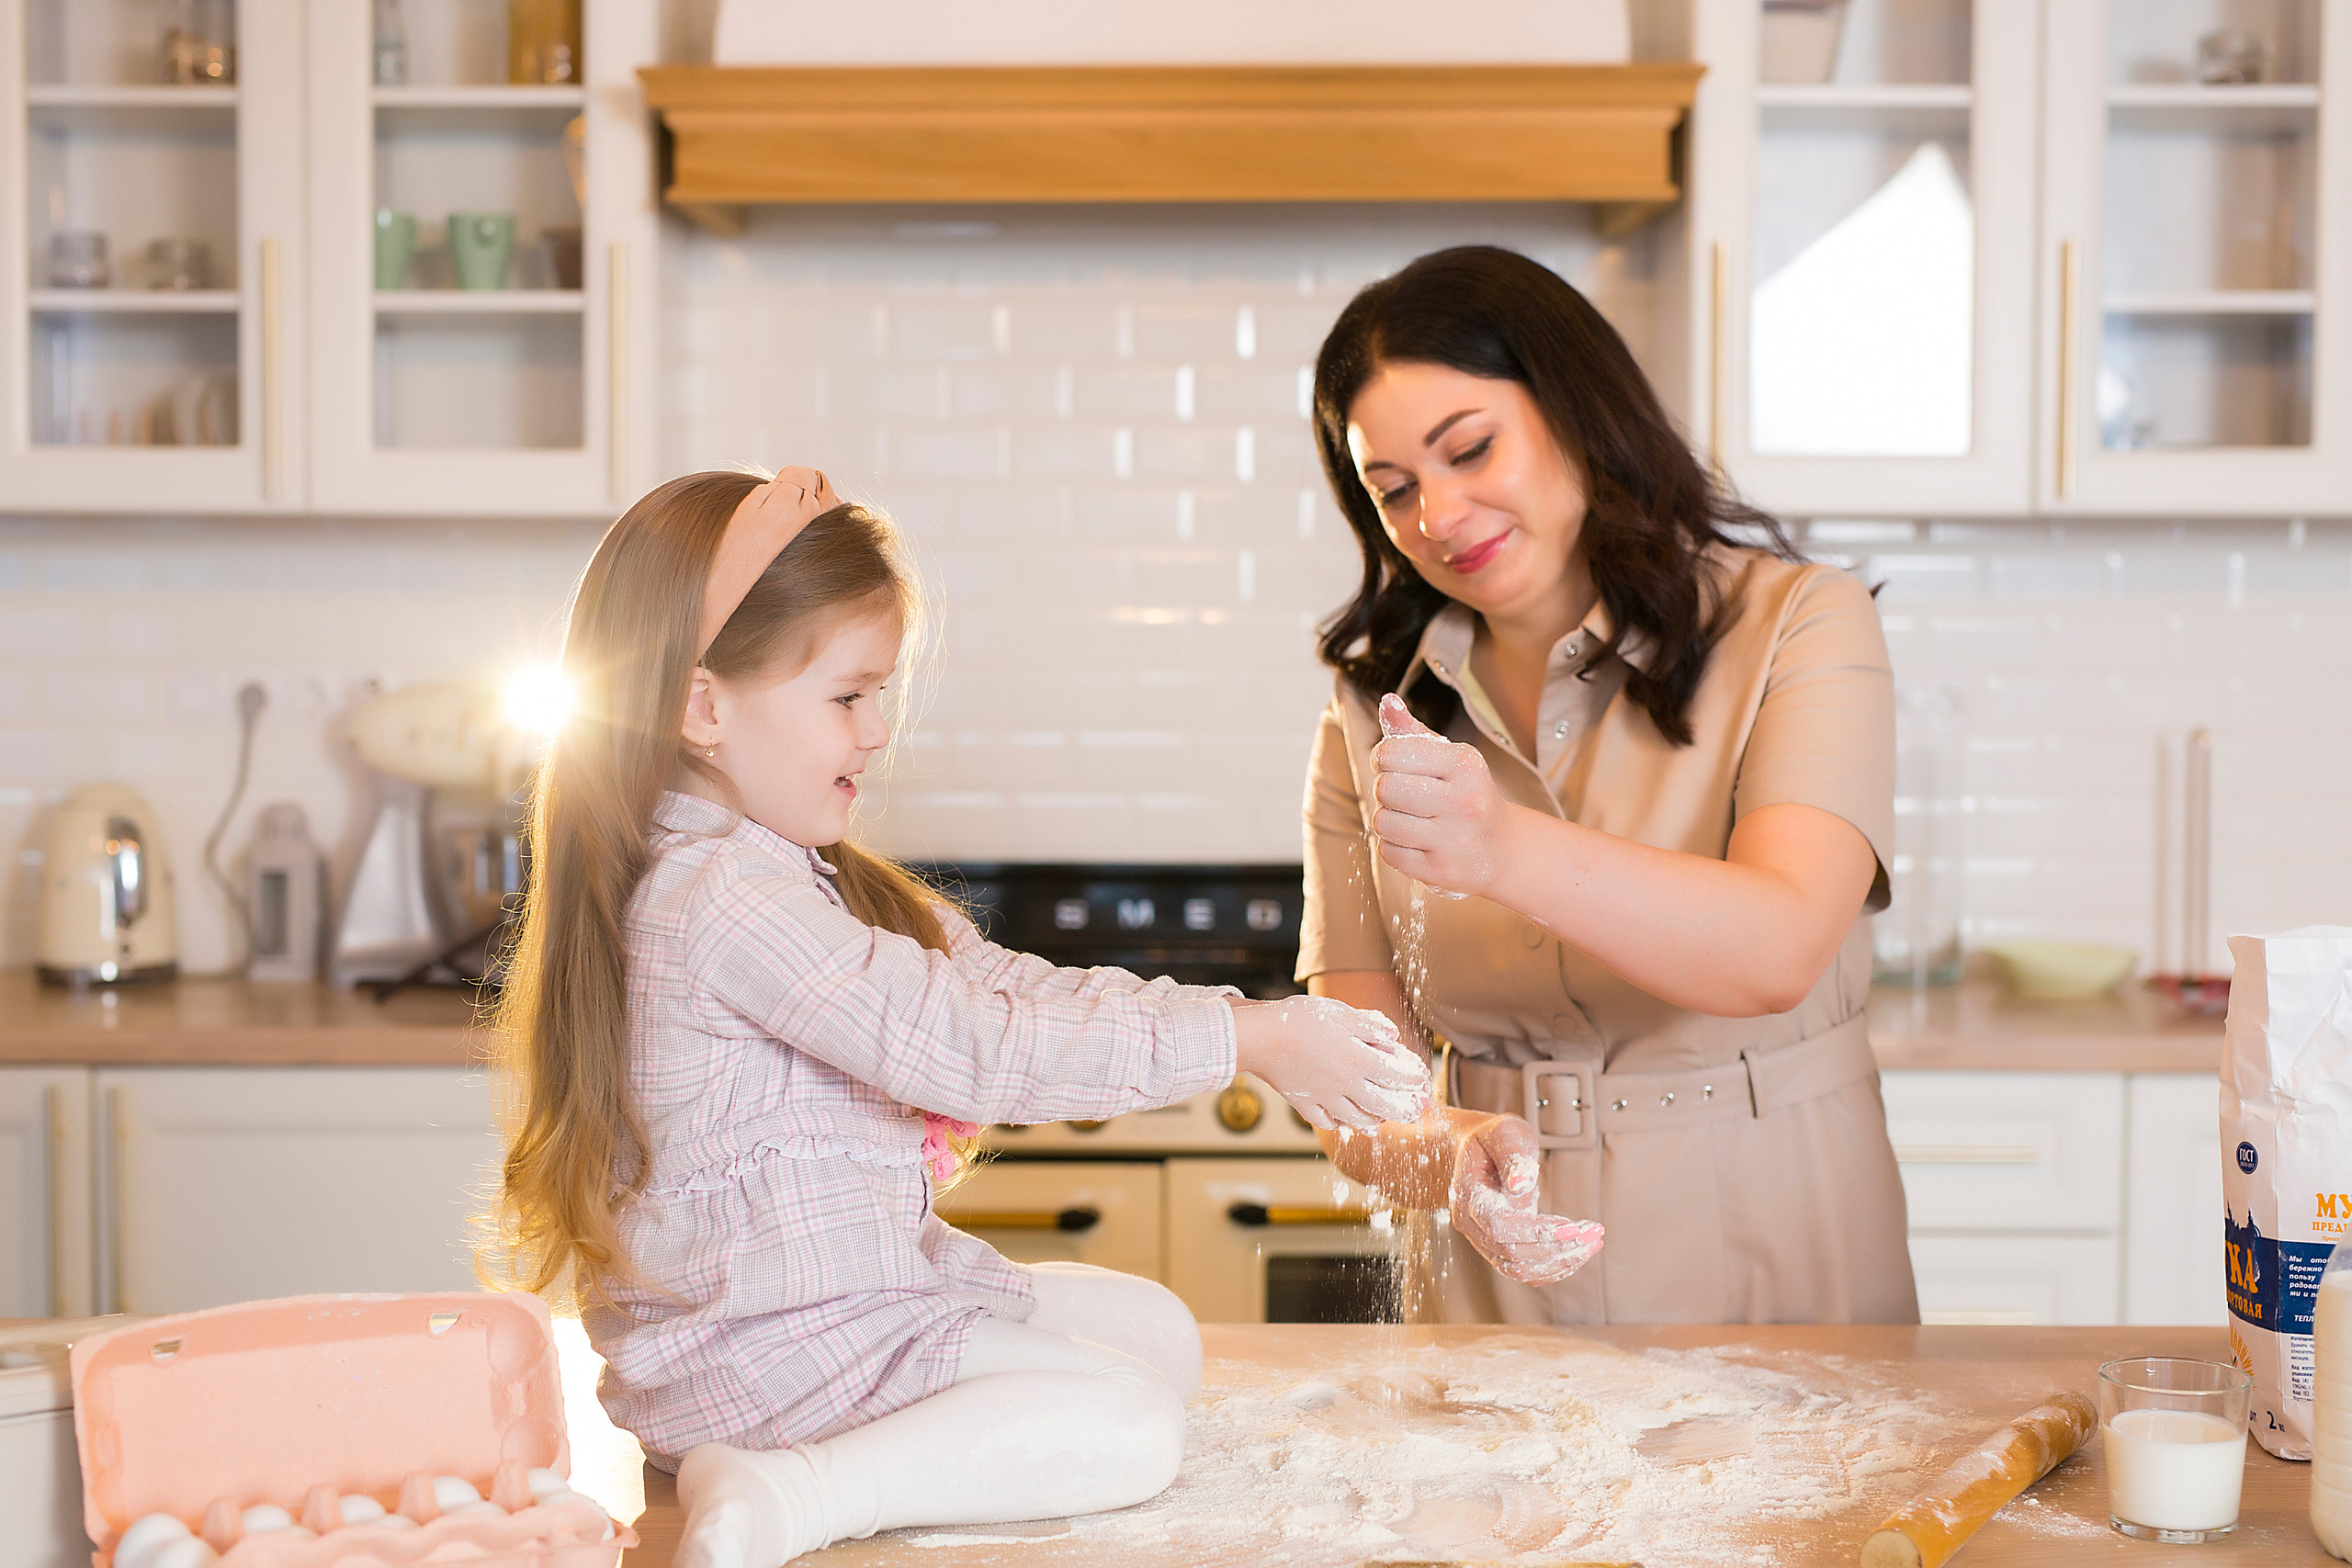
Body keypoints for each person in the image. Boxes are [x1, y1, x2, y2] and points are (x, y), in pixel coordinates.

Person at [483, 468, 1430, 1567]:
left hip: (818, 1323)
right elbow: (973, 1048)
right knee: (1131, 1426)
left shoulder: (786, 873)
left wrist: (1243, 1018)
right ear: (702, 706)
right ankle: (791, 1493)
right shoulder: (718, 900)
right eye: (846, 696)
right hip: (766, 1364)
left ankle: (806, 1463)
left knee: (1156, 1338)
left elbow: (999, 991)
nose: (877, 730)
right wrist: (1244, 1038)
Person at [1298, 245, 1919, 1325]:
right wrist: (1434, 1154)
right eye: (1392, 490)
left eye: (1470, 450)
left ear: (1577, 411)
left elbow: (1775, 948)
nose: (1436, 517)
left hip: (1776, 1254)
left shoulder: (1798, 626)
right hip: (1493, 1295)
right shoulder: (1375, 708)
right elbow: (1354, 1080)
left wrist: (1501, 850)